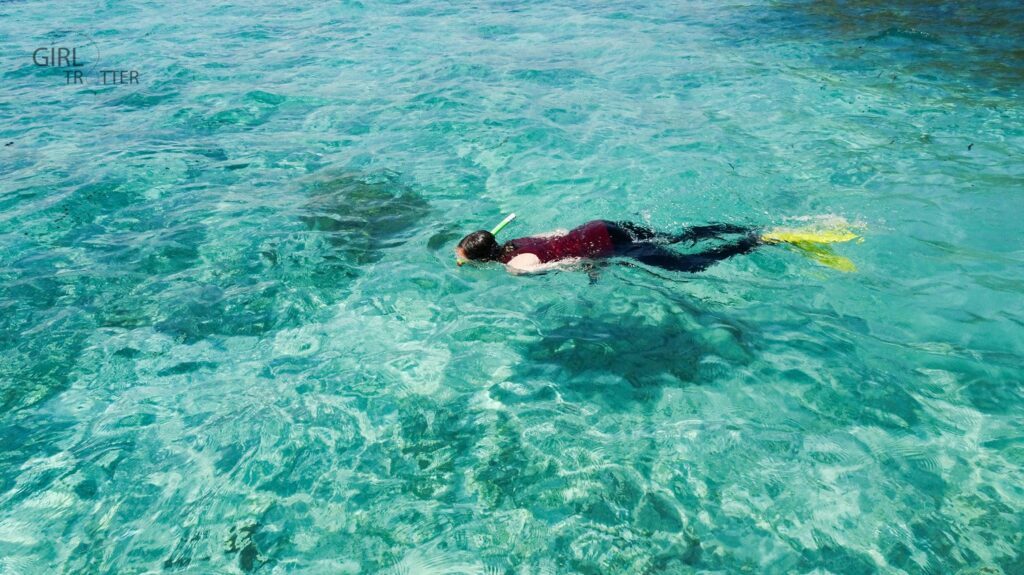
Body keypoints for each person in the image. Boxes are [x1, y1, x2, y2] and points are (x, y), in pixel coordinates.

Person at [455, 220, 763, 274]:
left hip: (604, 246)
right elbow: (560, 233)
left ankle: (754, 242)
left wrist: (592, 265)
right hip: (598, 227)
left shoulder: (515, 267)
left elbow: (564, 265)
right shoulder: (515, 242)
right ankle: (736, 228)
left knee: (689, 265)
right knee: (673, 238)